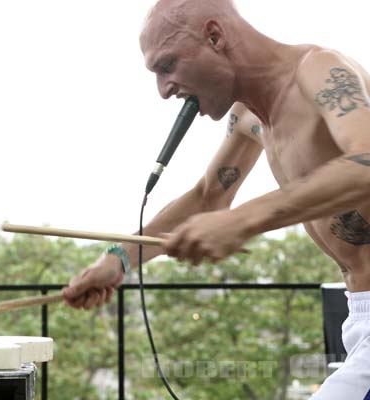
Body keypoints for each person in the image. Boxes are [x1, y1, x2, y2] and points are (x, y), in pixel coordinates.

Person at [61, 0, 370, 397]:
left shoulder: (320, 70)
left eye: (166, 65)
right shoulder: (248, 115)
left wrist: (245, 219)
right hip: (357, 311)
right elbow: (208, 199)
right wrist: (119, 258)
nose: (163, 90)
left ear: (215, 35)